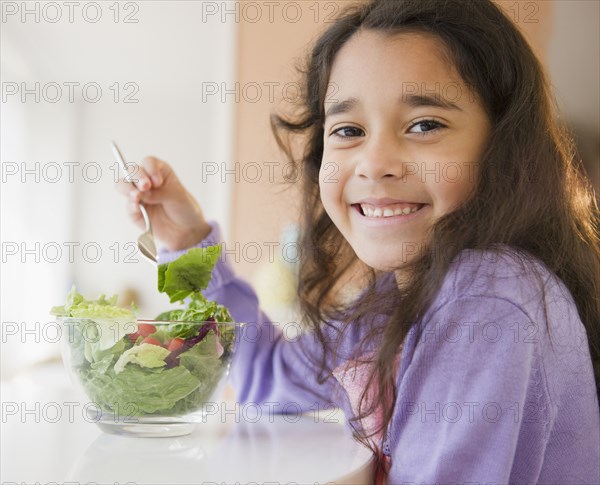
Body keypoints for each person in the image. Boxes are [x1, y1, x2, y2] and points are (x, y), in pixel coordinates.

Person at [117, 0, 600, 482]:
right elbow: (263, 378)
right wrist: (185, 239)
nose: (375, 162)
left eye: (425, 125)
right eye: (348, 131)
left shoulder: (487, 295)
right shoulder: (391, 303)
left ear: (504, 147)